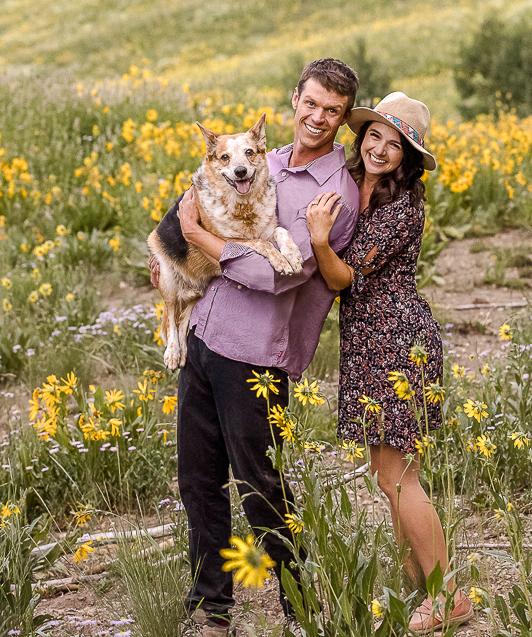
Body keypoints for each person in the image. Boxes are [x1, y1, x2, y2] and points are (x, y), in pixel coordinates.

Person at [150, 58, 360, 633]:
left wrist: (196, 237)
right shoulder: (255, 163)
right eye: (311, 103)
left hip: (257, 355)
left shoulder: (335, 192)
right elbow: (195, 208)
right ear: (295, 100)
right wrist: (174, 252)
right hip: (204, 334)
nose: (317, 117)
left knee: (260, 487)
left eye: (332, 111)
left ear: (343, 120)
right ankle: (211, 607)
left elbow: (279, 277)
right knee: (197, 481)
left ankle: (298, 609)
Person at [306, 92, 472, 635]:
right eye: (374, 135)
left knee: (396, 477)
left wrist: (315, 239)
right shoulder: (359, 186)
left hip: (397, 337)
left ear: (408, 156)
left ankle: (448, 596)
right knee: (392, 474)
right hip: (370, 337)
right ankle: (420, 589)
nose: (379, 148)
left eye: (394, 144)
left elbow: (342, 277)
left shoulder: (402, 205)